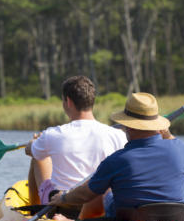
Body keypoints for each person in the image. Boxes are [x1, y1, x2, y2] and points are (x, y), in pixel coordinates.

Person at [48, 92, 184, 220]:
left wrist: (62, 198)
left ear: (128, 126)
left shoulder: (117, 160)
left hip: (131, 219)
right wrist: (168, 136)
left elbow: (86, 194)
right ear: (158, 126)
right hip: (173, 219)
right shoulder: (180, 149)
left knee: (101, 189)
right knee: (100, 185)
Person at [25, 75, 127, 205]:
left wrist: (33, 143)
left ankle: (33, 210)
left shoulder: (52, 134)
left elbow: (29, 151)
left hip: (62, 204)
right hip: (98, 205)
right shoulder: (118, 135)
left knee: (38, 157)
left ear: (68, 101)